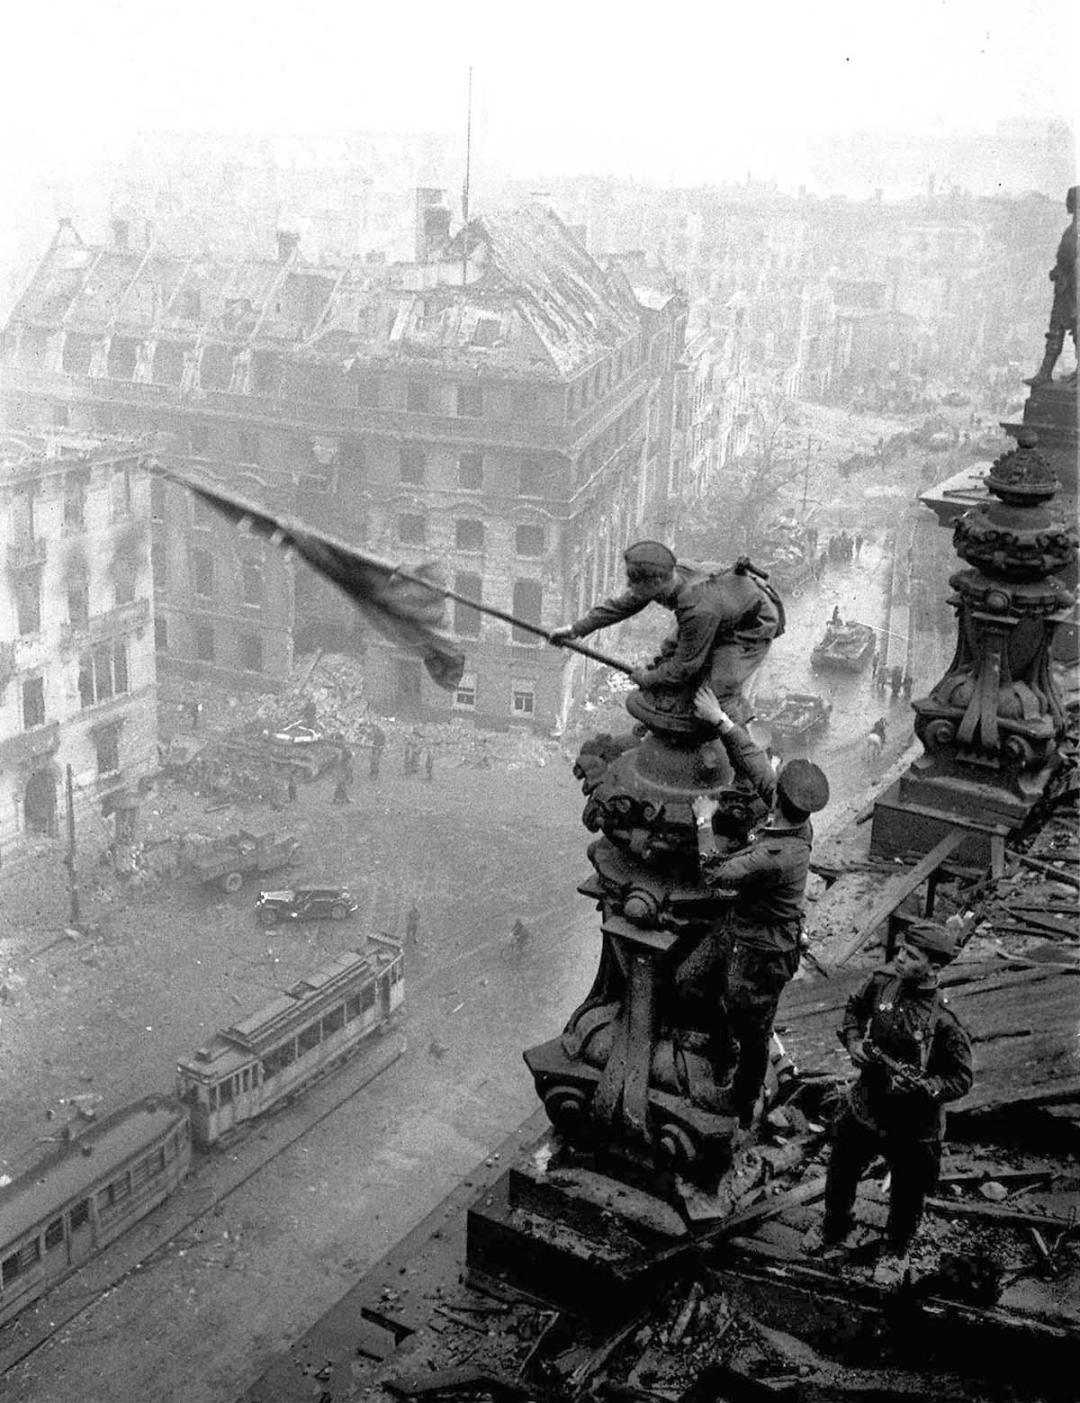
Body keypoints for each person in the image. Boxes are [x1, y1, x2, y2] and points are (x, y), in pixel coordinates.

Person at [690, 685, 830, 1129]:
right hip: (752, 933)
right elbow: (754, 761)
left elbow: (714, 872)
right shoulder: (794, 820)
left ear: (780, 800)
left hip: (761, 951)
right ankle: (731, 1055)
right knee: (699, 986)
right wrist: (720, 719)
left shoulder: (776, 856)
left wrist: (702, 819)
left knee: (750, 1027)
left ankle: (740, 1103)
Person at [804, 922, 973, 1286]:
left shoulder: (945, 1022)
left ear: (934, 968)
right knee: (841, 1169)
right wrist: (854, 1042)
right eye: (901, 950)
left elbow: (961, 1079)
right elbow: (854, 1008)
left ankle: (896, 1251)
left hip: (914, 1124)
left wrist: (926, 1087)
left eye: (911, 956)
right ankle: (835, 1226)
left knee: (907, 1193)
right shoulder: (882, 982)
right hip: (867, 1104)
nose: (900, 957)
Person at [548, 540, 783, 715]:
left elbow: (684, 667)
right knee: (668, 653)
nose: (629, 585)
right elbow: (626, 603)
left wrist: (647, 678)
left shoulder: (697, 609)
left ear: (656, 582)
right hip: (722, 611)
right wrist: (576, 629)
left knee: (714, 697)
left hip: (750, 626)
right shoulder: (669, 575)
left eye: (633, 580)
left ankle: (740, 743)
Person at [1030, 186, 1077, 386]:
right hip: (1064, 288)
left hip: (1074, 290)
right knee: (1055, 330)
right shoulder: (1071, 230)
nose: (1067, 203)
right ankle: (1045, 372)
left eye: (1070, 200)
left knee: (1077, 330)